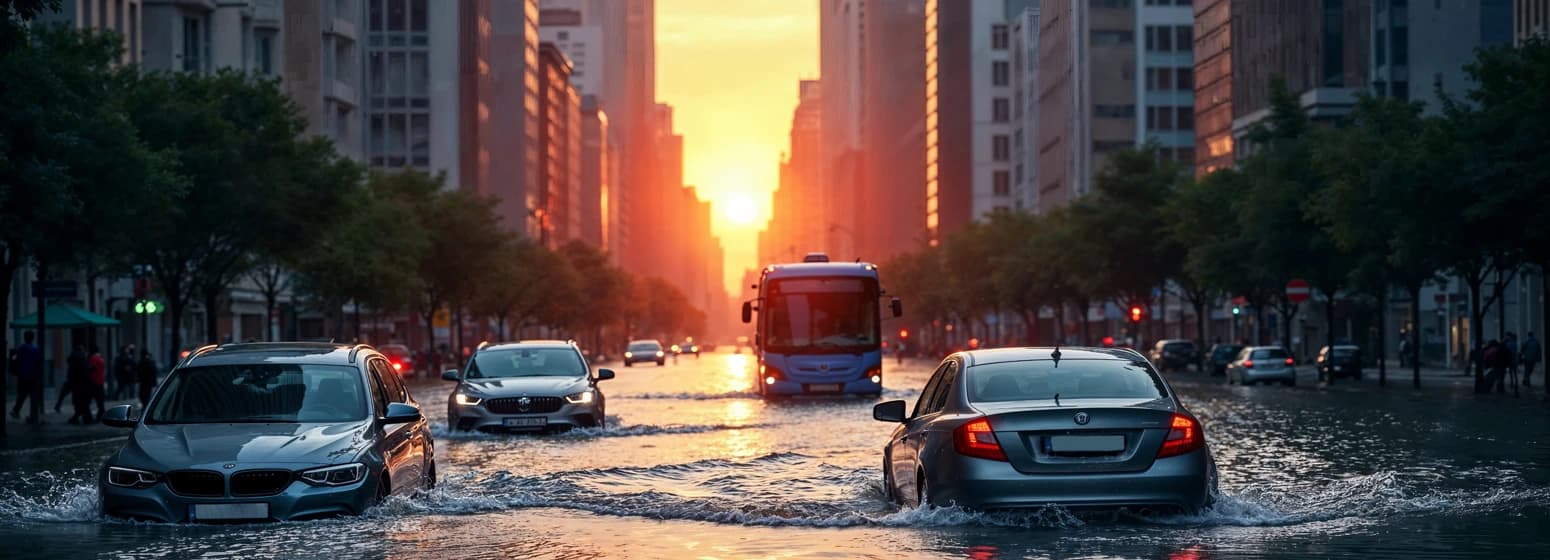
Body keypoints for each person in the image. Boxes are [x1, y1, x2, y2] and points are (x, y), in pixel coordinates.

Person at [9, 331, 43, 423]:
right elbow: (38, 363)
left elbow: (14, 359)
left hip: (22, 376)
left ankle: (16, 410)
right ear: (33, 338)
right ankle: (32, 416)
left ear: (24, 338)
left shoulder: (20, 349)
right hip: (32, 376)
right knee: (33, 397)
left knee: (22, 394)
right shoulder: (35, 349)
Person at [65, 345, 93, 424]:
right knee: (84, 402)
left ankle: (79, 416)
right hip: (83, 383)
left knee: (78, 401)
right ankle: (86, 417)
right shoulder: (83, 358)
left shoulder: (73, 358)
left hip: (76, 383)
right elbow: (86, 371)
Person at [88, 345, 107, 417]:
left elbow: (92, 368)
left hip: (94, 381)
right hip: (100, 381)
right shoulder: (101, 358)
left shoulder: (93, 358)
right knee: (100, 399)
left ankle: (99, 413)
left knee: (89, 399)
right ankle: (101, 413)